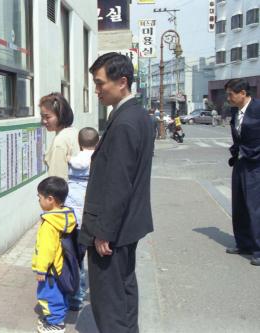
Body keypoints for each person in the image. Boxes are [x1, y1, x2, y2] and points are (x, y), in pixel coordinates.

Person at [79, 52, 154, 333]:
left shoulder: (124, 122)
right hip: (128, 225)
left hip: (113, 230)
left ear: (122, 82)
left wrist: (104, 231)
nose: (96, 90)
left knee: (109, 302)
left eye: (100, 84)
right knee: (124, 291)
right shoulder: (137, 116)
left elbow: (118, 183)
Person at [33, 176, 77, 333]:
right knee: (59, 294)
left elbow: (46, 249)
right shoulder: (65, 216)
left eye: (39, 198)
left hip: (50, 270)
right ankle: (55, 318)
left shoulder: (49, 224)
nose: (38, 201)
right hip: (61, 265)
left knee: (48, 295)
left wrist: (41, 270)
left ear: (50, 199)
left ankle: (55, 324)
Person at [224, 78, 260, 266]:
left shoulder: (257, 109)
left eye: (231, 94)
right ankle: (243, 243)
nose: (228, 98)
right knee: (239, 205)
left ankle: (258, 249)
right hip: (240, 162)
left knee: (255, 207)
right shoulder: (234, 111)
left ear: (243, 93)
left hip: (256, 164)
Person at [65, 127, 99, 311]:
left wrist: (69, 158)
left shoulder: (75, 160)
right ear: (98, 142)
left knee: (77, 259)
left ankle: (76, 298)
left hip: (74, 219)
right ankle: (95, 293)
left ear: (79, 143)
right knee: (94, 257)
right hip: (92, 216)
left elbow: (73, 162)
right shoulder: (99, 160)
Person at [40, 92, 80, 181]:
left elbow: (57, 181)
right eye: (42, 117)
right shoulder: (74, 131)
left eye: (48, 117)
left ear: (61, 115)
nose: (44, 121)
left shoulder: (60, 141)